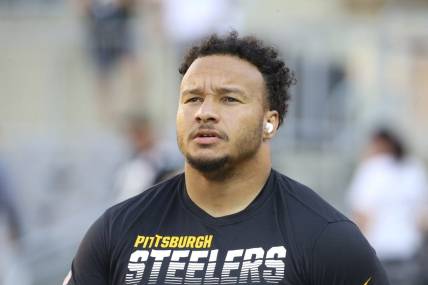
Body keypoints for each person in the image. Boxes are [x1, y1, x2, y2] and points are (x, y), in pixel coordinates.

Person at [64, 32, 389, 285]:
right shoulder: (116, 231)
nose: (205, 113)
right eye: (192, 98)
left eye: (229, 99)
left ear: (270, 122)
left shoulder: (326, 238)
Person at [348, 128, 428, 285]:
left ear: (380, 144)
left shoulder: (372, 169)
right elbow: (423, 218)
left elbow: (361, 216)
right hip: (409, 254)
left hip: (378, 254)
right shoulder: (414, 169)